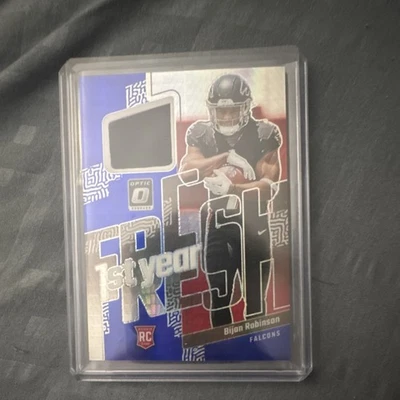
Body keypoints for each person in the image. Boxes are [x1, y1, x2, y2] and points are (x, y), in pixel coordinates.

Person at [179, 74, 282, 327]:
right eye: (220, 111)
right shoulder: (201, 133)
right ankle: (221, 347)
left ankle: (254, 347)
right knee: (219, 299)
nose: (226, 117)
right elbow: (187, 172)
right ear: (211, 110)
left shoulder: (264, 133)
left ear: (246, 108)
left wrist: (233, 188)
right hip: (218, 224)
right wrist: (226, 157)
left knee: (256, 303)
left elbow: (269, 187)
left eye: (232, 110)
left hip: (254, 226)